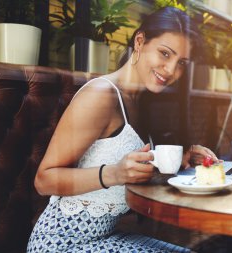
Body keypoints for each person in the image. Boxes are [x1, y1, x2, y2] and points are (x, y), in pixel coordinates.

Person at [27, 7, 218, 253]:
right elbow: (44, 180)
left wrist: (178, 161)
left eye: (181, 62)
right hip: (62, 242)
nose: (171, 70)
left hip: (108, 236)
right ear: (139, 41)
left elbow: (131, 174)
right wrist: (114, 173)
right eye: (164, 53)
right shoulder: (101, 95)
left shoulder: (140, 101)